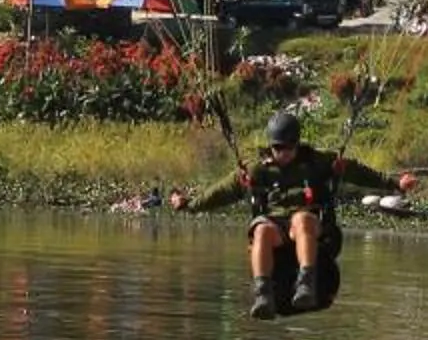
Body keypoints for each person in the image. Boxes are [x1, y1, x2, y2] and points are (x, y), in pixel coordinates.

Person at [170, 110, 411, 319]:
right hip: (275, 227)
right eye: (278, 148)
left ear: (297, 144)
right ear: (271, 145)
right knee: (261, 230)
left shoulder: (318, 161)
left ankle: (306, 283)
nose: (283, 153)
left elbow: (357, 172)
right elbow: (222, 191)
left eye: (289, 148)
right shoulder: (257, 168)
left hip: (312, 225)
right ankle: (263, 294)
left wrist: (395, 184)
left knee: (301, 220)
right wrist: (190, 204)